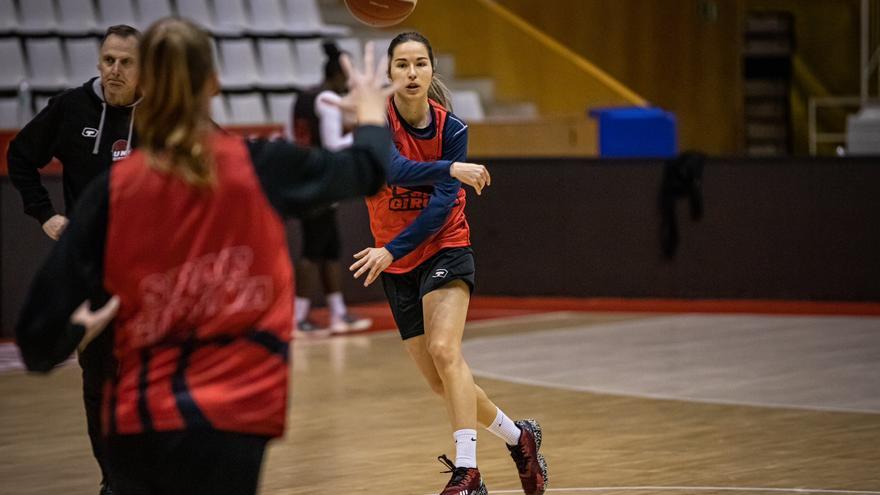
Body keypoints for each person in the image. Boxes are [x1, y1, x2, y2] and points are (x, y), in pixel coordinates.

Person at [15, 17, 395, 495]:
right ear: (213, 85)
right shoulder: (260, 166)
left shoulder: (111, 193)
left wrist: (79, 329)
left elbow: (36, 344)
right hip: (234, 417)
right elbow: (367, 169)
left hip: (141, 418)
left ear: (148, 85)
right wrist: (369, 112)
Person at [350, 32, 548, 495]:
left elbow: (440, 209)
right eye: (402, 65)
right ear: (389, 75)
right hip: (396, 262)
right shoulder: (377, 124)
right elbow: (394, 170)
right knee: (443, 385)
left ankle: (468, 473)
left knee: (445, 350)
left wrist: (391, 249)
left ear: (432, 70)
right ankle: (521, 440)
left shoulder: (452, 130)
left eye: (420, 63)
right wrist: (451, 170)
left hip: (444, 247)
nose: (412, 73)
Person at [7, 24, 141, 495]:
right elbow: (21, 156)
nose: (114, 71)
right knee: (99, 381)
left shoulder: (165, 116)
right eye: (108, 60)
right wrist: (44, 215)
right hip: (91, 272)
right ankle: (114, 481)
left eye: (125, 62)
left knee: (152, 380)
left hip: (149, 275)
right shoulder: (71, 107)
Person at [291, 41, 374, 335]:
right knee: (314, 249)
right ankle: (297, 317)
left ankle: (338, 313)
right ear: (340, 74)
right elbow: (332, 146)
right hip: (319, 181)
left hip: (305, 176)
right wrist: (364, 135)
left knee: (329, 247)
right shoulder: (327, 98)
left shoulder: (304, 96)